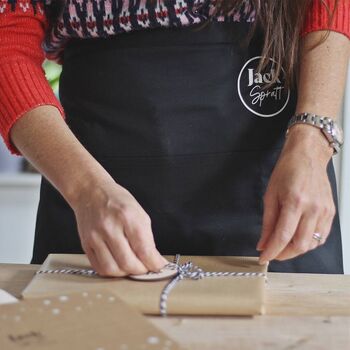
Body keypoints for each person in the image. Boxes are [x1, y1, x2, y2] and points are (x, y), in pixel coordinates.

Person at [0, 0, 349, 276]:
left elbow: (327, 6)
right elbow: (7, 40)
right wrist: (85, 190)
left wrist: (313, 142)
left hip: (273, 173)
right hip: (96, 181)